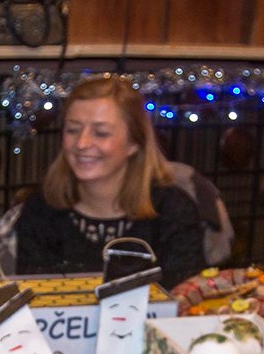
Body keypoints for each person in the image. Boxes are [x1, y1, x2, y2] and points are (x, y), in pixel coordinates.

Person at [11, 76, 205, 287]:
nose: (82, 144)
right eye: (72, 130)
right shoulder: (40, 210)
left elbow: (183, 298)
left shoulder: (173, 210)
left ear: (134, 143)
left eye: (101, 133)